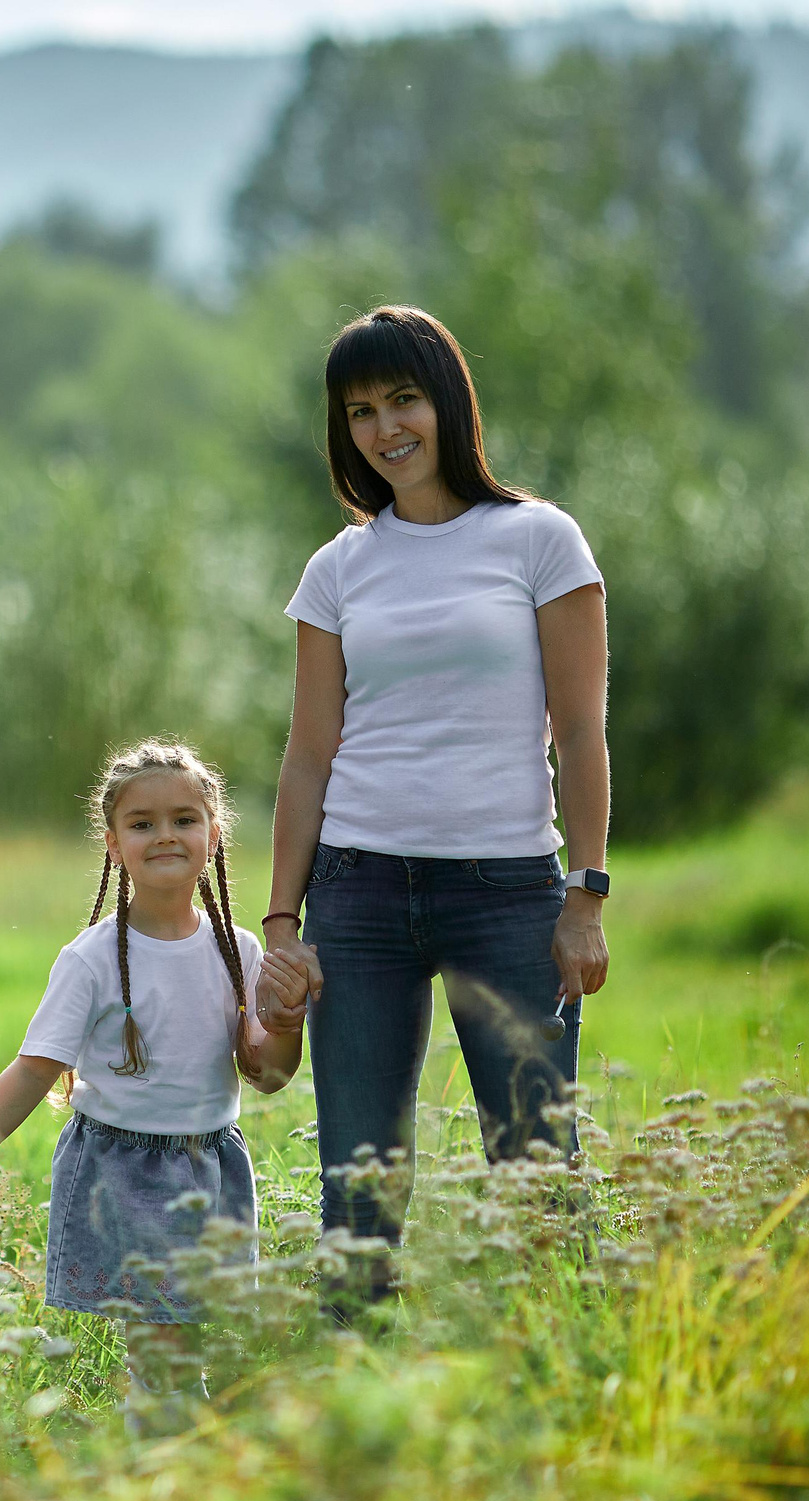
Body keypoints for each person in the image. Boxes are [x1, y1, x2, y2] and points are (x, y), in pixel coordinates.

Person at [254, 304, 611, 1316]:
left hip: (507, 893)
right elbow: (309, 754)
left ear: (447, 401)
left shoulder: (538, 540)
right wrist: (283, 924)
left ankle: (553, 1380)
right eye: (360, 410)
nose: (385, 428)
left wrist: (584, 892)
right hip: (357, 898)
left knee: (535, 1167)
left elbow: (580, 733)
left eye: (403, 399)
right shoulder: (338, 568)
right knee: (358, 1184)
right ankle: (356, 1399)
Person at [0, 740, 301, 1432]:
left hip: (212, 1167)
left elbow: (270, 1074)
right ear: (112, 843)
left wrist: (286, 1019)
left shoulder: (241, 953)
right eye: (142, 823)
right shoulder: (90, 960)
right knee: (164, 1350)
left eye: (184, 819)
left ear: (214, 834)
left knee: (195, 1345)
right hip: (122, 1168)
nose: (165, 835)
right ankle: (175, 1466)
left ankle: (175, 1461)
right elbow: (34, 1068)